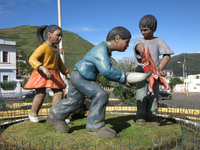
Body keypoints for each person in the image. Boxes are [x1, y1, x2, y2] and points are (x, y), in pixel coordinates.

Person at [46, 26, 150, 138]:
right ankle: (96, 125)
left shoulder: (104, 49)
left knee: (75, 100)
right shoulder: (101, 50)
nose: (127, 45)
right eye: (126, 42)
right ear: (117, 38)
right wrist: (124, 77)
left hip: (78, 75)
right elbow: (107, 70)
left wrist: (123, 79)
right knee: (100, 94)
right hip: (81, 77)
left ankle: (55, 116)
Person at [133, 15, 174, 126]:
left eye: (145, 30)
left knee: (154, 95)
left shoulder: (158, 41)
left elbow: (167, 55)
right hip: (141, 73)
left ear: (153, 29)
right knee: (141, 95)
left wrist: (159, 68)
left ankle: (152, 115)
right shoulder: (138, 41)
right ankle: (140, 115)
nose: (142, 32)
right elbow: (137, 45)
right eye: (141, 30)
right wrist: (140, 46)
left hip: (154, 74)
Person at [24, 25, 70, 123]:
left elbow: (60, 63)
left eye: (61, 36)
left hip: (54, 73)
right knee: (40, 94)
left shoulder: (55, 49)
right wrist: (42, 68)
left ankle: (54, 115)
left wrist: (66, 73)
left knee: (59, 93)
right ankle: (33, 113)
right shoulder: (43, 47)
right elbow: (32, 59)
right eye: (58, 35)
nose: (60, 38)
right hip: (41, 73)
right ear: (49, 35)